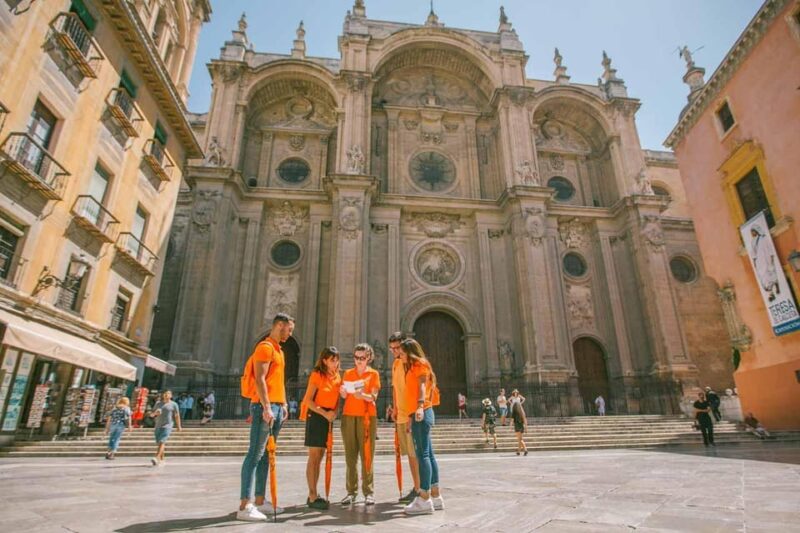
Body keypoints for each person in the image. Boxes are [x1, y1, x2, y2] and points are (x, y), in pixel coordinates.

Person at [236, 313, 292, 522]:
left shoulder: (279, 350)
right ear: (279, 325)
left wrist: (283, 403)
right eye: (289, 329)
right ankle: (244, 505)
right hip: (264, 407)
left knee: (267, 455)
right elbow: (259, 379)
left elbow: (278, 381)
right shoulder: (265, 347)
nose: (290, 333)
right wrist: (266, 406)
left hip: (277, 407)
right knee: (255, 454)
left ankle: (260, 500)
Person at [399, 338, 443, 515]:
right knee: (429, 454)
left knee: (422, 454)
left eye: (401, 353)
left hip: (422, 411)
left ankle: (424, 498)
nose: (399, 356)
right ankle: (436, 495)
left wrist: (418, 407)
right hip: (419, 413)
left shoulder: (419, 365)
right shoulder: (413, 366)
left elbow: (422, 386)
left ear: (409, 353)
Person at [339, 343, 381, 506]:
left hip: (367, 417)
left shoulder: (374, 374)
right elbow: (344, 395)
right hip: (348, 416)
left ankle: (369, 492)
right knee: (350, 457)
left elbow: (374, 397)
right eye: (356, 358)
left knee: (367, 456)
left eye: (362, 358)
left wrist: (362, 395)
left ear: (368, 358)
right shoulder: (348, 374)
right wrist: (343, 394)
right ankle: (351, 492)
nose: (359, 361)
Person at [301, 346, 342, 510]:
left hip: (328, 418)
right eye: (333, 360)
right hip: (317, 416)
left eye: (337, 359)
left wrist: (335, 412)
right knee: (314, 457)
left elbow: (338, 399)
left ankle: (314, 494)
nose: (336, 362)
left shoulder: (337, 377)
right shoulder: (317, 375)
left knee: (320, 458)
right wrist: (325, 414)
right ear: (324, 360)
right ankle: (312, 495)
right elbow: (307, 400)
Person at [389, 332, 421, 504]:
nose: (394, 351)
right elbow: (395, 387)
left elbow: (417, 389)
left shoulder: (412, 364)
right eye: (391, 348)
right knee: (409, 454)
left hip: (411, 415)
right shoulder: (395, 365)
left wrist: (412, 413)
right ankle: (417, 487)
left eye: (397, 348)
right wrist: (394, 408)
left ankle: (421, 489)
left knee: (416, 453)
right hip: (400, 415)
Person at [149, 390, 181, 466]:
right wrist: (155, 413)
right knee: (159, 442)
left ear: (171, 395)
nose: (166, 395)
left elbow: (177, 415)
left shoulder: (174, 404)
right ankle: (162, 459)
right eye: (165, 393)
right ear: (163, 395)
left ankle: (157, 457)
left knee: (162, 441)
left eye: (168, 393)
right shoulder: (158, 404)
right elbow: (151, 415)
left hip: (168, 425)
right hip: (158, 425)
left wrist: (178, 426)